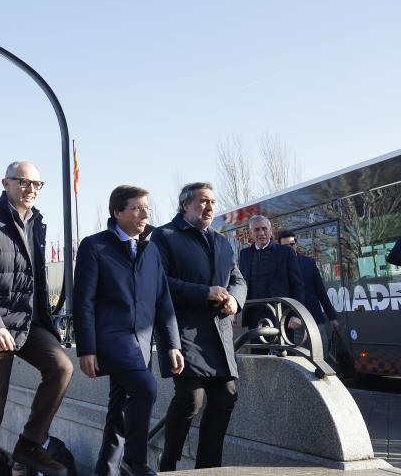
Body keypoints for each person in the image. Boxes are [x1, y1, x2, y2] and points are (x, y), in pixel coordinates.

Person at [0, 161, 73, 476]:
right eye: (23, 182)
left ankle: (31, 443)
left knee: (61, 367)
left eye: (37, 184)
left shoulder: (37, 221)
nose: (31, 189)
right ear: (5, 183)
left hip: (29, 323)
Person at [73, 185, 184, 476]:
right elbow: (83, 301)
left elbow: (163, 300)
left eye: (147, 207)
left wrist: (173, 342)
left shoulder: (152, 249)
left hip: (142, 343)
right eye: (136, 207)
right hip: (111, 339)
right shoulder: (94, 246)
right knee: (146, 388)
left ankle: (106, 469)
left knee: (119, 407)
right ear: (117, 212)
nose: (145, 213)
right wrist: (86, 348)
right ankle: (136, 461)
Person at [150, 182, 247, 471]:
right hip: (183, 331)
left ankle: (208, 467)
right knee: (191, 397)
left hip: (219, 333)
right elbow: (159, 281)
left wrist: (235, 301)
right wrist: (204, 292)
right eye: (203, 201)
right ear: (186, 205)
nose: (210, 207)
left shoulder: (221, 240)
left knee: (225, 396)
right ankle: (169, 460)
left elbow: (238, 278)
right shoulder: (164, 235)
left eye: (213, 202)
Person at [239, 215, 305, 351]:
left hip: (281, 316)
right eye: (256, 230)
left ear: (271, 231)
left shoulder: (285, 252)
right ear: (251, 233)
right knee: (258, 359)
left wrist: (296, 315)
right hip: (254, 317)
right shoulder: (244, 254)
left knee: (285, 358)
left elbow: (297, 286)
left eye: (264, 229)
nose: (261, 233)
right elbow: (241, 284)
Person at [276, 230, 339, 352]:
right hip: (291, 322)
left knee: (322, 355)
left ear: (296, 244)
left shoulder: (309, 263)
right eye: (285, 246)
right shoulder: (278, 266)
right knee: (301, 363)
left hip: (314, 318)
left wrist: (332, 317)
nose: (290, 248)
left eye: (292, 244)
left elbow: (321, 291)